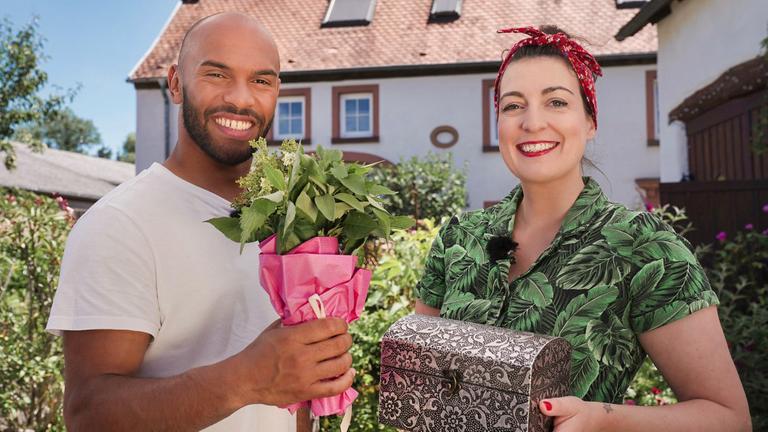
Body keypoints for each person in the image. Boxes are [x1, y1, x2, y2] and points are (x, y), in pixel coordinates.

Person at [414, 26, 751, 431]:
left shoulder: (646, 249)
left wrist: (604, 422)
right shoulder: (457, 239)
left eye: (556, 101)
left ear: (589, 121)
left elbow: (728, 419)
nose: (532, 122)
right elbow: (422, 391)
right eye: (513, 106)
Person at [46, 12, 354, 431]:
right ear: (175, 83)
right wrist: (247, 379)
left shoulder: (292, 218)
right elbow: (88, 416)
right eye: (217, 74)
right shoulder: (119, 225)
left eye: (261, 81)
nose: (242, 100)